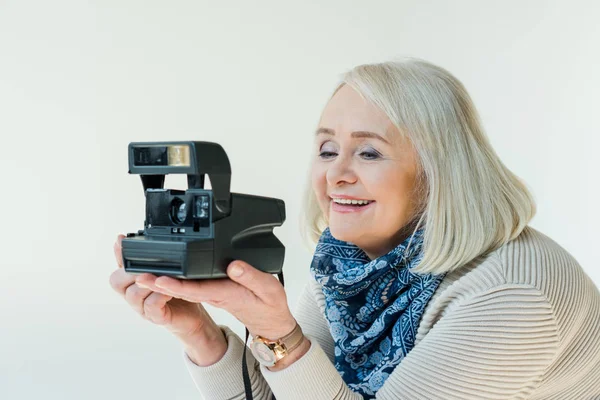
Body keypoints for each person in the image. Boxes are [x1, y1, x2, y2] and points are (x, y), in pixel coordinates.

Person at [109, 58, 600, 399]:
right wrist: (202, 335)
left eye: (368, 152)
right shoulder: (353, 265)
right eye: (327, 149)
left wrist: (281, 335)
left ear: (439, 171)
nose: (336, 174)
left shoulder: (509, 296)